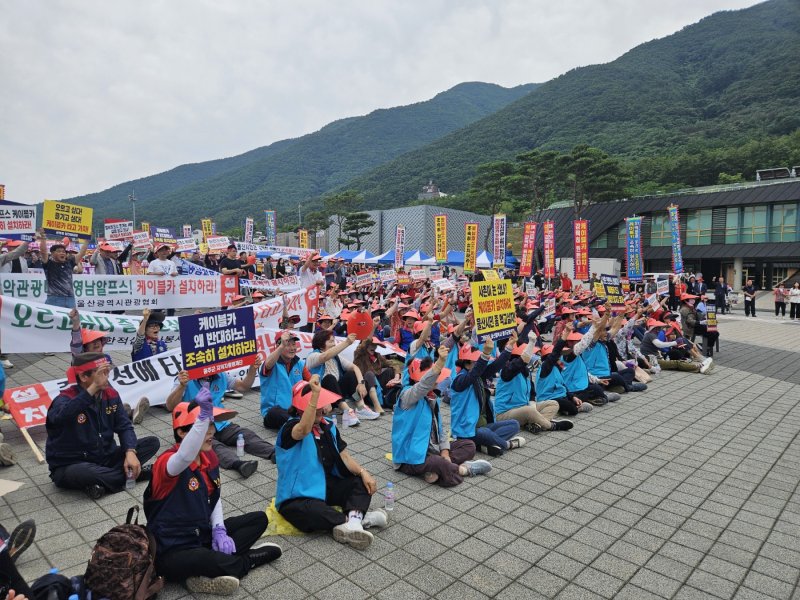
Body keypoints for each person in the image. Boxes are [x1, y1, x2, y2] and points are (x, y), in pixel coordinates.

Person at [144, 394, 281, 595]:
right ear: (182, 432)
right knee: (205, 559)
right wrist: (201, 419)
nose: (211, 432)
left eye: (211, 425)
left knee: (259, 519)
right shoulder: (167, 463)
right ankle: (246, 560)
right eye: (204, 426)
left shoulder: (209, 456)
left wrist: (219, 529)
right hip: (172, 549)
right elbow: (183, 456)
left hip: (202, 534)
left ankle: (211, 567)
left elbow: (213, 497)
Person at [275, 376, 388, 549]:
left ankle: (352, 525)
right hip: (297, 497)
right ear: (301, 407)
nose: (321, 409)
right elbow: (303, 430)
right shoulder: (290, 427)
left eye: (321, 403)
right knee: (311, 510)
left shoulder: (328, 426)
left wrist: (364, 472)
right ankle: (359, 520)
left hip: (325, 487)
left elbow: (345, 457)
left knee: (359, 482)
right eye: (315, 403)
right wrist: (314, 396)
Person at [45, 353, 160, 499]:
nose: (107, 377)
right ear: (84, 377)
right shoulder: (65, 399)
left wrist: (130, 452)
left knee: (152, 443)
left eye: (108, 371)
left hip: (105, 456)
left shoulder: (110, 394)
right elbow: (60, 417)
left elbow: (124, 426)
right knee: (87, 472)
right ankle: (135, 475)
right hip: (73, 463)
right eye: (101, 373)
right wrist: (92, 390)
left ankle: (101, 483)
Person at [393, 349, 492, 487]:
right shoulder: (407, 396)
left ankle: (439, 469)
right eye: (434, 379)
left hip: (433, 450)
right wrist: (439, 363)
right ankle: (464, 470)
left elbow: (440, 430)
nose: (437, 381)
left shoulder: (432, 397)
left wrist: (445, 452)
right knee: (437, 463)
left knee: (469, 445)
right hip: (410, 458)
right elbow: (421, 387)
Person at [165, 360, 272, 479]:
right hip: (197, 426)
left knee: (245, 434)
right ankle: (238, 465)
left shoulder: (220, 374)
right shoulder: (185, 377)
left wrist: (252, 370)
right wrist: (181, 386)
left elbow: (243, 386)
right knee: (214, 446)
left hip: (220, 422)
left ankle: (274, 453)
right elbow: (170, 406)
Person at [69, 308, 150, 424]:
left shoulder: (106, 358)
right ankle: (126, 413)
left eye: (99, 340)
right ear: (85, 347)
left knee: (115, 392)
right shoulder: (80, 359)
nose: (97, 343)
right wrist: (76, 323)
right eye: (93, 342)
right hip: (89, 396)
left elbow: (116, 375)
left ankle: (128, 412)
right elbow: (76, 344)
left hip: (109, 395)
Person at [450, 339, 525, 457]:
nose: (482, 366)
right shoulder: (459, 380)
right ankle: (507, 444)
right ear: (467, 363)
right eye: (476, 362)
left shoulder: (479, 376)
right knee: (485, 433)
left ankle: (483, 444)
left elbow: (495, 366)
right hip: (466, 430)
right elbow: (474, 373)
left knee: (514, 424)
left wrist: (509, 347)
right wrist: (485, 354)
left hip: (484, 426)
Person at [495, 331, 574, 433]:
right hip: (505, 414)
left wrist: (532, 404)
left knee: (553, 404)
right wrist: (531, 343)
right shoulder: (507, 371)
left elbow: (532, 394)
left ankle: (536, 424)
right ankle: (551, 425)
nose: (533, 357)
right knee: (529, 411)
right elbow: (521, 361)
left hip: (523, 408)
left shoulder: (526, 371)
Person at [304, 330, 380, 423]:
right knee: (329, 378)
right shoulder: (313, 356)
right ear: (320, 344)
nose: (334, 344)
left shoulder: (336, 357)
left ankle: (361, 407)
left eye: (334, 341)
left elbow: (354, 367)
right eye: (330, 341)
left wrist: (361, 383)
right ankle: (347, 411)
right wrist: (347, 342)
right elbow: (324, 356)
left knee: (351, 374)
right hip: (323, 394)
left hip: (338, 392)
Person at [38, 229, 89, 308]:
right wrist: (43, 237)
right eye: (59, 251)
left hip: (70, 299)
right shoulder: (48, 264)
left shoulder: (69, 263)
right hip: (54, 299)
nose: (62, 253)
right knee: (53, 320)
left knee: (72, 320)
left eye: (63, 251)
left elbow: (82, 252)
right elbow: (43, 251)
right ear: (52, 254)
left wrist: (87, 239)